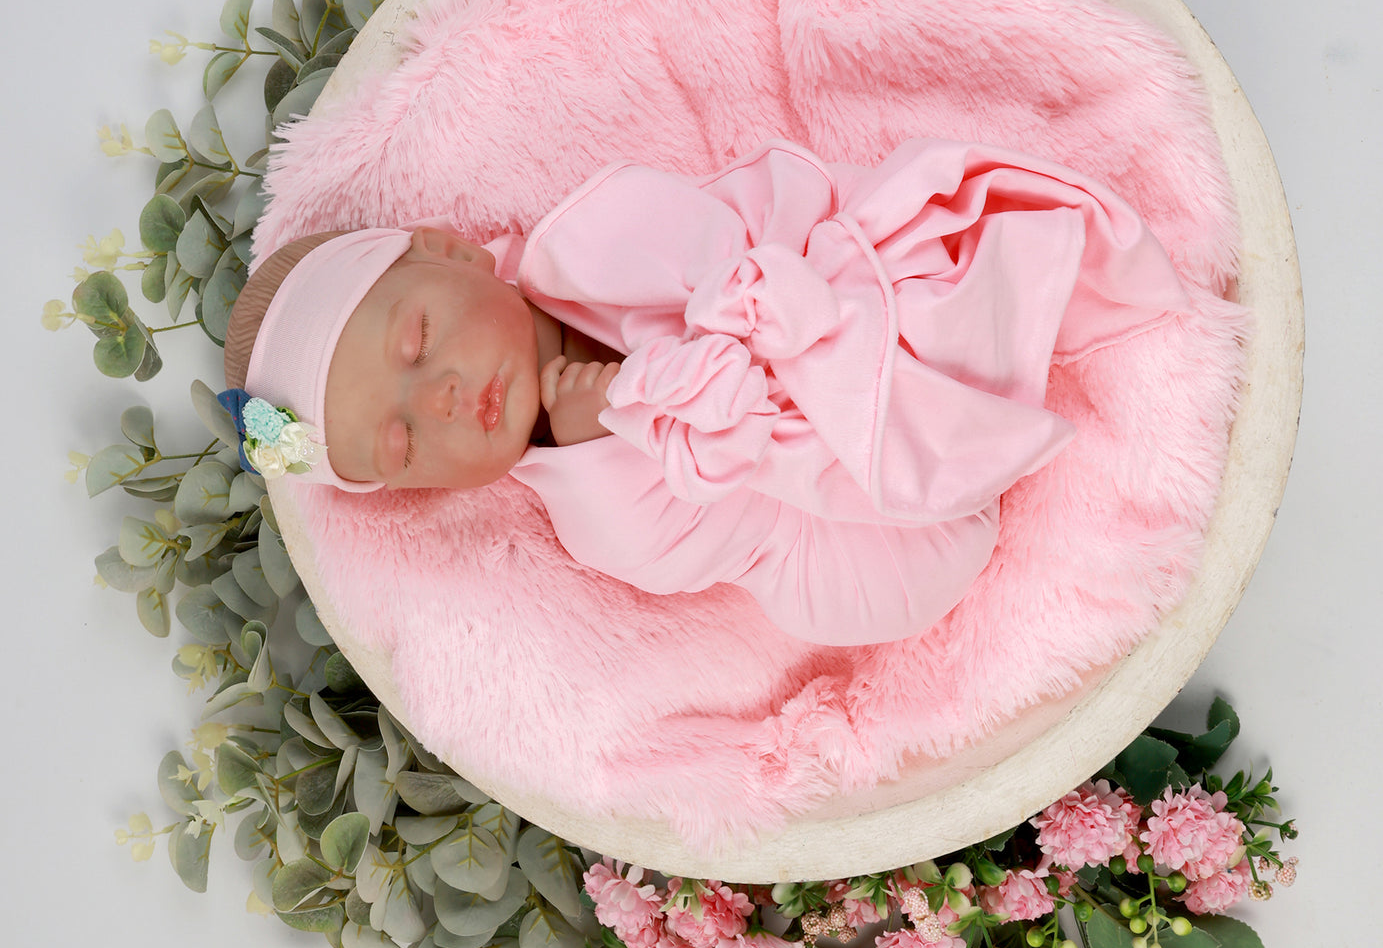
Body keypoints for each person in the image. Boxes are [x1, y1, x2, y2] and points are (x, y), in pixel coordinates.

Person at [223, 137, 1189, 646]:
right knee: (858, 583)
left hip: (819, 315)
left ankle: (952, 375)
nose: (435, 399)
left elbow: (739, 229)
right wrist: (612, 437)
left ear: (451, 250)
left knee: (899, 277)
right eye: (401, 443)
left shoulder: (592, 235)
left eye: (418, 340)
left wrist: (702, 354)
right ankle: (927, 444)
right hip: (841, 539)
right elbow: (698, 536)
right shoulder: (586, 513)